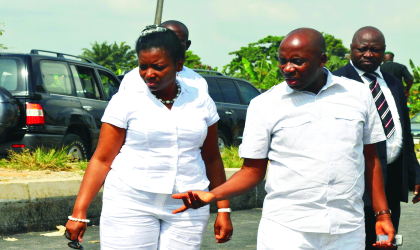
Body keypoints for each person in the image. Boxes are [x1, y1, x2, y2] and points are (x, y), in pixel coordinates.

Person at [171, 28, 395, 249]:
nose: (287, 68)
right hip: (287, 231)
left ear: (322, 60)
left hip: (347, 229)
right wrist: (212, 196)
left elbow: (371, 159)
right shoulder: (264, 104)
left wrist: (382, 215)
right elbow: (252, 171)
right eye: (282, 61)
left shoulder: (358, 94)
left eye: (297, 61)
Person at [65, 25, 232, 250]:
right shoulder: (126, 100)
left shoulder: (201, 101)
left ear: (179, 65)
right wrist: (79, 212)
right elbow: (102, 159)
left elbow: (212, 158)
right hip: (130, 201)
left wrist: (223, 209)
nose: (149, 74)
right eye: (143, 66)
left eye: (158, 67)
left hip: (188, 204)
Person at [333, 26, 420, 250]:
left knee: (384, 241)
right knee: (356, 240)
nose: (369, 54)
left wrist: (415, 173)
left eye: (376, 50)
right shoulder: (336, 83)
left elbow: (405, 133)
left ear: (384, 52)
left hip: (391, 177)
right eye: (363, 49)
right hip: (356, 180)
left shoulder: (392, 83)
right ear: (351, 49)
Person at [119, 20, 208, 93]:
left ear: (187, 45)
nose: (172, 45)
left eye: (178, 41)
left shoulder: (198, 82)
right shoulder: (132, 79)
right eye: (166, 41)